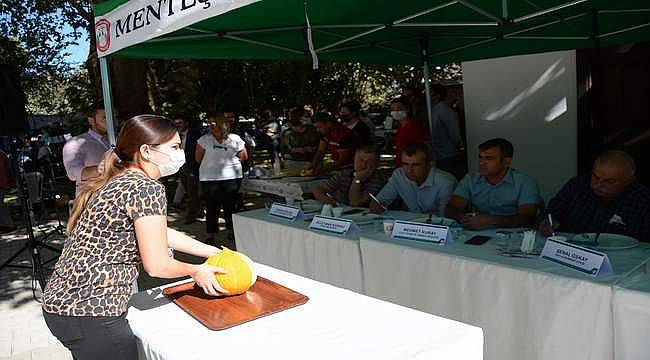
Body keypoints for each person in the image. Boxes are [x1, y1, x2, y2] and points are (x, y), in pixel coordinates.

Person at [42, 115, 228, 360]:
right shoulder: (145, 188)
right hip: (91, 311)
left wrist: (215, 253)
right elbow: (157, 265)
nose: (179, 153)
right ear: (146, 151)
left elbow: (160, 232)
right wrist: (197, 271)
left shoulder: (118, 178)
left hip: (64, 306)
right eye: (174, 147)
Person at [539, 150, 650, 241]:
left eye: (609, 181)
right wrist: (548, 223)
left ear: (629, 181)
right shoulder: (577, 185)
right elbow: (551, 213)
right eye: (595, 177)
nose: (598, 184)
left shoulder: (643, 199)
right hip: (573, 251)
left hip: (626, 257)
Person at [446, 138, 541, 230]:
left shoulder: (525, 183)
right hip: (477, 231)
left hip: (513, 235)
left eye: (489, 158)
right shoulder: (471, 179)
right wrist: (463, 218)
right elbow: (451, 208)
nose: (481, 163)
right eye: (480, 157)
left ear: (506, 162)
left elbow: (527, 218)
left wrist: (493, 221)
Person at [196, 114, 248, 243]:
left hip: (232, 177)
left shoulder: (235, 139)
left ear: (223, 126)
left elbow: (244, 156)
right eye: (211, 126)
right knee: (212, 206)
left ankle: (232, 231)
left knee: (230, 205)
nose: (212, 129)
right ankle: (210, 234)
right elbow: (198, 158)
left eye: (215, 126)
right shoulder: (204, 140)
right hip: (209, 178)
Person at [370, 142, 456, 216]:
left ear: (430, 165)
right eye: (405, 164)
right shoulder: (399, 175)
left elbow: (447, 218)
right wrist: (377, 205)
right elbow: (378, 202)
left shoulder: (445, 183)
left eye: (416, 165)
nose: (409, 170)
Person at [313, 145, 388, 207]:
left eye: (369, 162)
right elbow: (320, 188)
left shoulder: (379, 179)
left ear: (376, 164)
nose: (364, 164)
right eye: (360, 160)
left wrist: (357, 179)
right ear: (354, 159)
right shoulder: (345, 173)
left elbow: (355, 202)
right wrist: (323, 198)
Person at [62, 105, 111, 195]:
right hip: (93, 201)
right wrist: (98, 169)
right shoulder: (76, 143)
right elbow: (73, 172)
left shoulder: (119, 140)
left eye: (114, 117)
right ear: (91, 120)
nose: (111, 121)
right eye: (105, 118)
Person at [429, 84, 465, 179]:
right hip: (438, 155)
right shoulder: (433, 111)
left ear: (437, 96)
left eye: (430, 94)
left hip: (449, 155)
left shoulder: (446, 112)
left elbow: (455, 135)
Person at [173, 114, 202, 224]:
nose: (177, 126)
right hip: (181, 167)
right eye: (175, 124)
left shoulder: (194, 135)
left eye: (180, 123)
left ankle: (191, 216)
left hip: (192, 167)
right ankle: (199, 210)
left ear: (186, 123)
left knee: (191, 193)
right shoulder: (175, 136)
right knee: (189, 191)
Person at [391, 96, 429, 166]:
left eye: (399, 108)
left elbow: (424, 146)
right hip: (401, 164)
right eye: (393, 109)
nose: (395, 111)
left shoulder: (414, 126)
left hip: (411, 165)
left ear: (407, 109)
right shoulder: (400, 126)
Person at [0, 148, 15, 233]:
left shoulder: (1, 154)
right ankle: (4, 224)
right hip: (3, 181)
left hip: (1, 182)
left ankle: (9, 224)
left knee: (1, 205)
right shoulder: (3, 153)